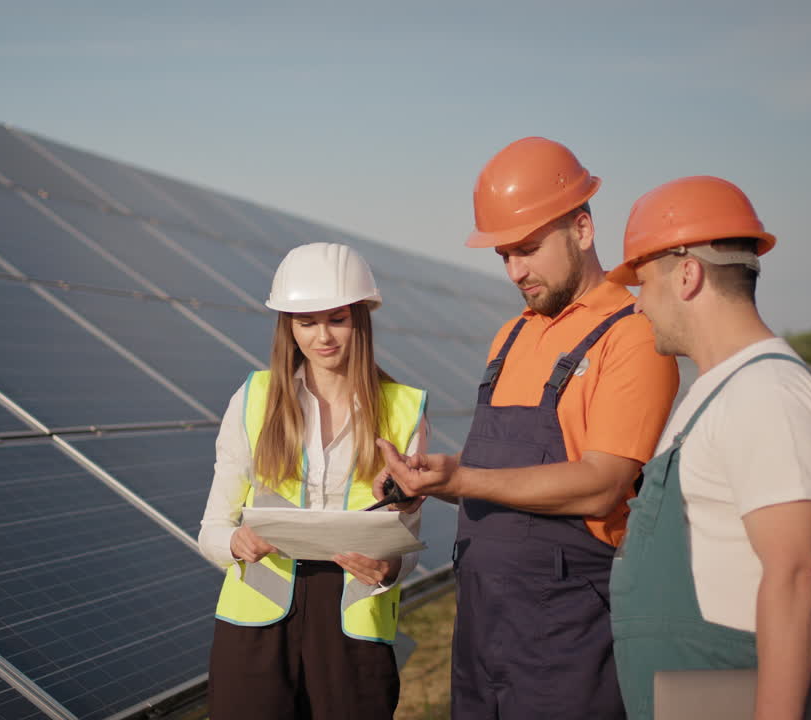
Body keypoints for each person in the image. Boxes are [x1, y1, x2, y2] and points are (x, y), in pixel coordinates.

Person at [376, 137, 679, 719]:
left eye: (529, 249)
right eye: (504, 256)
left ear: (582, 229)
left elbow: (602, 484)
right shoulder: (510, 336)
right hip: (482, 626)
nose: (516, 271)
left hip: (569, 634)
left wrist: (460, 480)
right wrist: (425, 482)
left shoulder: (633, 334)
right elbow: (498, 477)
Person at [604, 176, 811, 719]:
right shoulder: (720, 389)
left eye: (644, 284)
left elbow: (793, 577)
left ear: (687, 275)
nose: (638, 307)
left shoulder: (766, 395)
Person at [198, 241, 429, 720]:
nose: (323, 336)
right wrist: (237, 543)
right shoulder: (253, 398)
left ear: (360, 318)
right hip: (255, 621)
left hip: (353, 623)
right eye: (306, 322)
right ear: (288, 326)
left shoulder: (405, 410)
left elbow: (405, 538)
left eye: (337, 319)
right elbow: (212, 529)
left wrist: (387, 570)